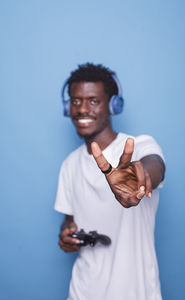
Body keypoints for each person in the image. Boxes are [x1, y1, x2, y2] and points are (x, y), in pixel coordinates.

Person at [55, 63, 165, 300]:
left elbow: (155, 167)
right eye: (75, 101)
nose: (82, 109)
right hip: (82, 292)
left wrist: (138, 179)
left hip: (136, 293)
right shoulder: (69, 165)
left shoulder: (139, 146)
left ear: (114, 105)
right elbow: (69, 223)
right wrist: (67, 236)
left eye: (93, 100)